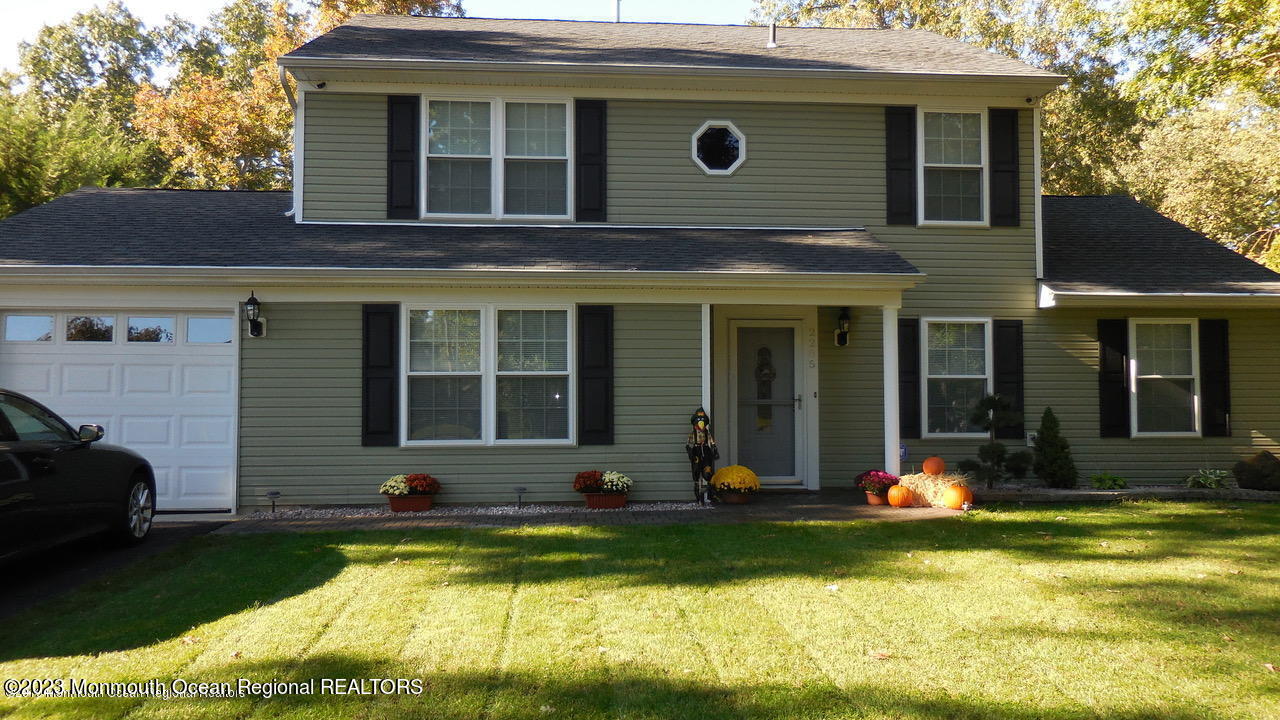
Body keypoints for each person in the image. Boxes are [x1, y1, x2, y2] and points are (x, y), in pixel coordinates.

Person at [685, 407, 719, 504]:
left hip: (705, 450)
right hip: (696, 451)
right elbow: (688, 444)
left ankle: (709, 494)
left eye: (703, 420)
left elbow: (711, 441)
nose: (701, 423)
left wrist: (714, 448)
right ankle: (698, 496)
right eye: (699, 420)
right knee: (696, 471)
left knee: (708, 471)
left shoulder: (706, 432)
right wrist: (690, 451)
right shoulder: (693, 434)